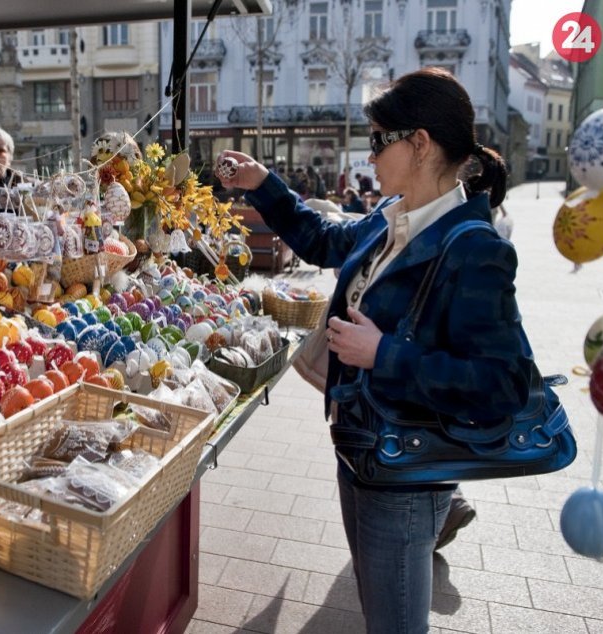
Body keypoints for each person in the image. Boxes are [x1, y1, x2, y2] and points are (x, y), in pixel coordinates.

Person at [216, 67, 525, 633]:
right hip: (358, 449)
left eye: (380, 140)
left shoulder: (473, 248)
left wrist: (384, 354)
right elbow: (321, 239)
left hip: (406, 474)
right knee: (375, 606)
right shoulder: (392, 218)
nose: (371, 155)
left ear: (420, 143)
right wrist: (263, 182)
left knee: (394, 622)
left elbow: (503, 383)